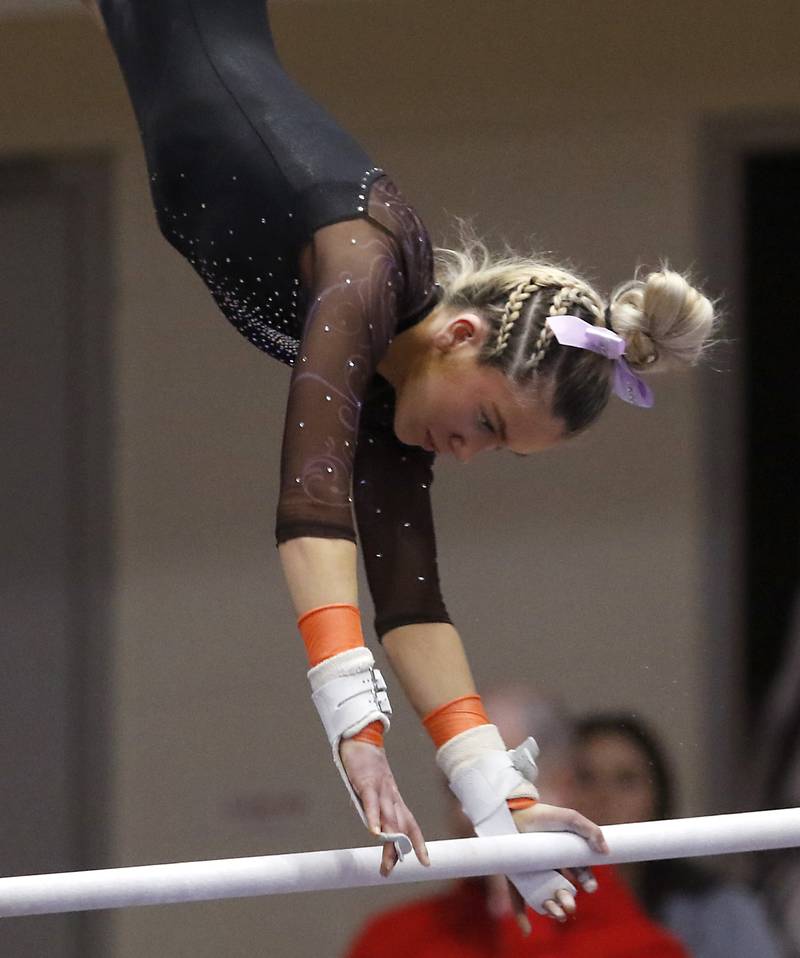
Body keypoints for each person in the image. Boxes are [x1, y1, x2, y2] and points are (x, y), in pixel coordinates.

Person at [79, 0, 715, 923]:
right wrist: (357, 730)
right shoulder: (366, 270)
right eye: (490, 422)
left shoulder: (395, 391)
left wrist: (499, 792)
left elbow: (413, 604)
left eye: (501, 452)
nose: (471, 454)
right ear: (459, 334)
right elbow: (310, 509)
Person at [345, 687, 691, 957]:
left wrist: (522, 907)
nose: (469, 810)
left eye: (496, 783)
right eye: (455, 788)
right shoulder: (390, 940)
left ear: (566, 785)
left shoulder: (646, 948)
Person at [573, 713, 785, 958]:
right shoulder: (530, 904)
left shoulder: (720, 909)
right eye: (585, 778)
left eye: (626, 780)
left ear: (658, 797)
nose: (603, 797)